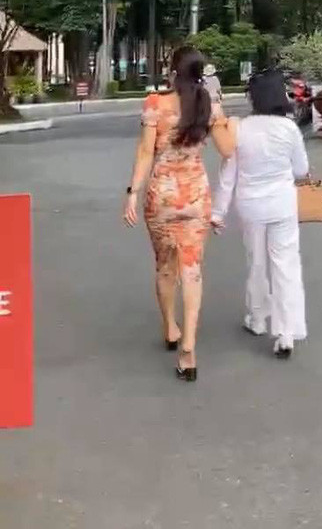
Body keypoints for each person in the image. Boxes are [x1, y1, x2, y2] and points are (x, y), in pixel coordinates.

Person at [123, 46, 236, 382]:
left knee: (165, 266)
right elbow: (228, 149)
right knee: (191, 267)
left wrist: (132, 193)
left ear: (172, 72)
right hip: (195, 197)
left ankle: (170, 327)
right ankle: (189, 345)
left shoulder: (154, 104)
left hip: (161, 196)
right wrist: (222, 112)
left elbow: (146, 152)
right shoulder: (207, 104)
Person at [211, 68, 309, 359]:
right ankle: (286, 332)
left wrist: (218, 212)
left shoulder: (240, 128)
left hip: (251, 205)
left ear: (254, 97)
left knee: (256, 261)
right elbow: (301, 170)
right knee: (286, 264)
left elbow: (228, 174)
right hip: (282, 203)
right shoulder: (289, 128)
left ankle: (257, 318)